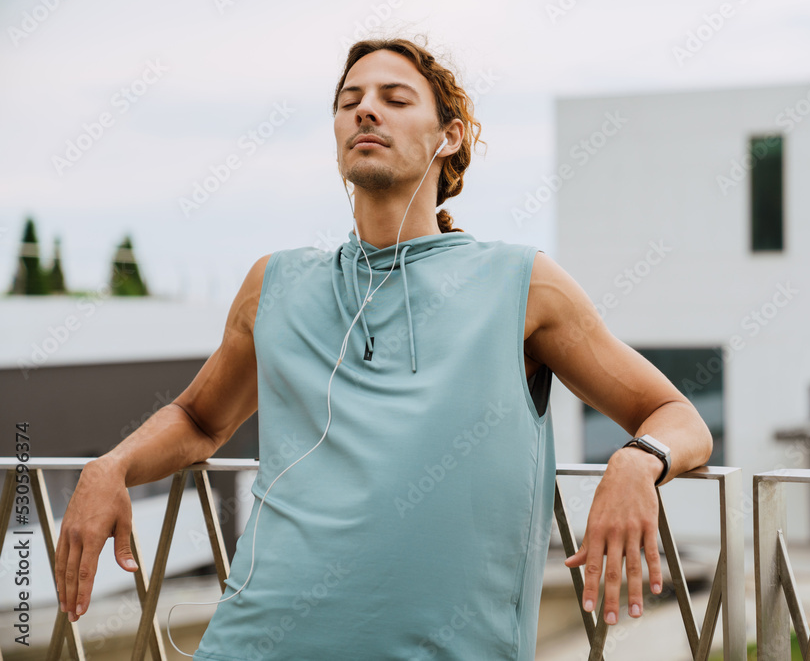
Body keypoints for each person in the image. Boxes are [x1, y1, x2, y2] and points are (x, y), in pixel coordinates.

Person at [54, 36, 713, 659]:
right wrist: (108, 467)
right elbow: (200, 420)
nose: (366, 108)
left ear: (448, 136)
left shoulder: (521, 282)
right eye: (349, 101)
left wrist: (635, 463)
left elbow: (677, 417)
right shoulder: (274, 283)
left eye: (396, 98)